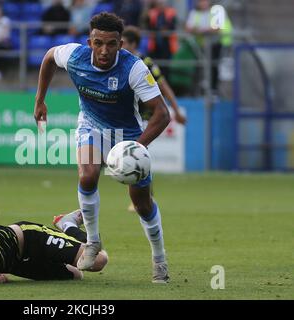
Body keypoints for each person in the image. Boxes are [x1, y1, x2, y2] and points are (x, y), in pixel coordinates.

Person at [33, 12, 171, 283]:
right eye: (98, 43)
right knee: (87, 175)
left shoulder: (134, 68)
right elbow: (49, 56)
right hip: (91, 125)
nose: (104, 50)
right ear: (89, 42)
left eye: (111, 44)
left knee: (142, 204)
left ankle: (159, 259)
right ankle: (93, 242)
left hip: (128, 134)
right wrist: (40, 100)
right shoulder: (75, 56)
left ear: (121, 44)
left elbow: (162, 114)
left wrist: (135, 148)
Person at [121, 25, 186, 212]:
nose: (121, 46)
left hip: (143, 117)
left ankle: (144, 197)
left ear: (134, 44)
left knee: (137, 153)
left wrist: (176, 111)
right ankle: (143, 197)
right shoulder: (117, 61)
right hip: (126, 116)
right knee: (133, 154)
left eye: (124, 43)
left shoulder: (145, 63)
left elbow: (164, 86)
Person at [185, 0, 233, 91]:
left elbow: (217, 29)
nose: (203, 3)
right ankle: (197, 90)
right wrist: (203, 31)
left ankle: (213, 90)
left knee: (214, 67)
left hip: (216, 45)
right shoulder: (194, 13)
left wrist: (201, 31)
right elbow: (188, 28)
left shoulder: (217, 10)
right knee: (198, 67)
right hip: (199, 47)